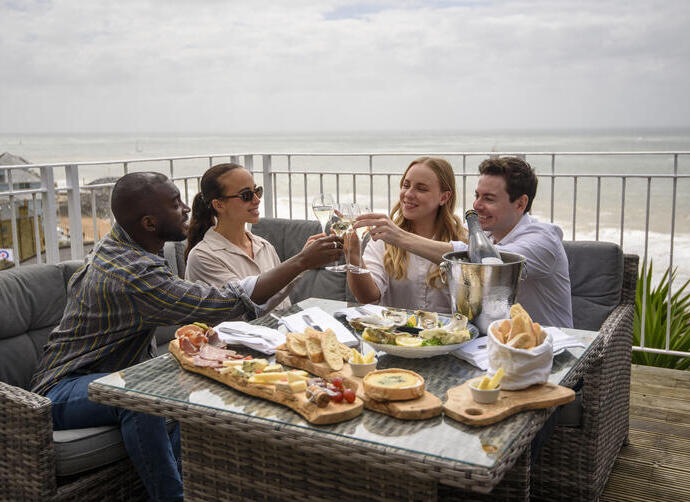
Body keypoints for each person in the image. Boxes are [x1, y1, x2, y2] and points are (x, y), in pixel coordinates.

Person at [30, 172, 341, 502]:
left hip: (106, 375)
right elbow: (223, 302)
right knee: (140, 396)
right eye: (175, 204)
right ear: (149, 222)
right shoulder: (131, 274)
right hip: (60, 390)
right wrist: (303, 262)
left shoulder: (126, 244)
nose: (187, 209)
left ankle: (200, 482)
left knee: (182, 382)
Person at [354, 156, 573, 328]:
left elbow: (490, 262)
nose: (476, 205)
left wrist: (398, 236)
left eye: (488, 198)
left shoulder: (544, 239)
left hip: (549, 352)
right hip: (497, 347)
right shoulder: (483, 236)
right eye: (477, 195)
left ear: (520, 203)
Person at [185, 163, 319, 314]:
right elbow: (246, 308)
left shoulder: (264, 246)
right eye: (246, 195)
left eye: (257, 191)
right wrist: (302, 262)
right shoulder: (203, 256)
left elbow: (282, 308)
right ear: (219, 205)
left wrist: (303, 262)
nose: (257, 200)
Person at [345, 157, 467, 313]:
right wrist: (353, 256)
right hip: (396, 334)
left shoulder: (463, 240)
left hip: (449, 336)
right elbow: (367, 297)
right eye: (406, 185)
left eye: (421, 189)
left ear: (444, 197)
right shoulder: (383, 239)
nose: (408, 194)